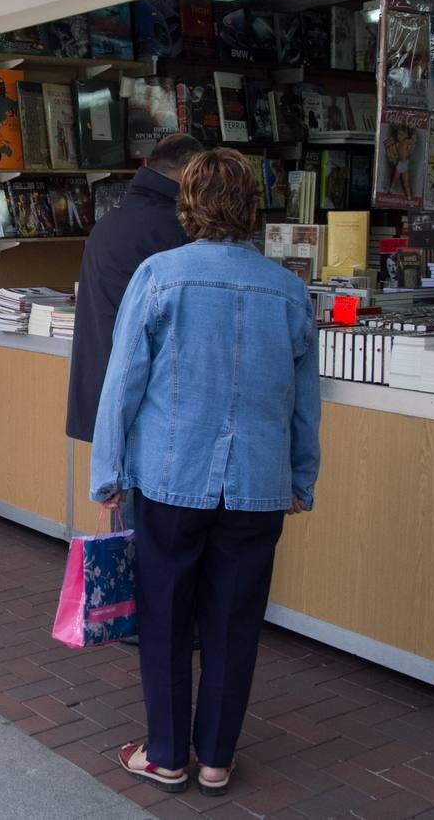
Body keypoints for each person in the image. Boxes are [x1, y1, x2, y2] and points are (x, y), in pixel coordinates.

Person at [92, 148, 320, 797]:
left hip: (168, 474)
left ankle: (165, 753)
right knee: (233, 619)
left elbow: (123, 383)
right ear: (252, 207)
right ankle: (216, 758)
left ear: (186, 203)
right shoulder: (287, 290)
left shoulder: (159, 276)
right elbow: (304, 401)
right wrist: (301, 476)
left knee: (164, 616)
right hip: (257, 482)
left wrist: (107, 468)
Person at [66, 133, 205, 529]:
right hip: (155, 404)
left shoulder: (111, 224)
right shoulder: (174, 230)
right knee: (155, 544)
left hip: (114, 399)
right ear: (188, 172)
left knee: (130, 536)